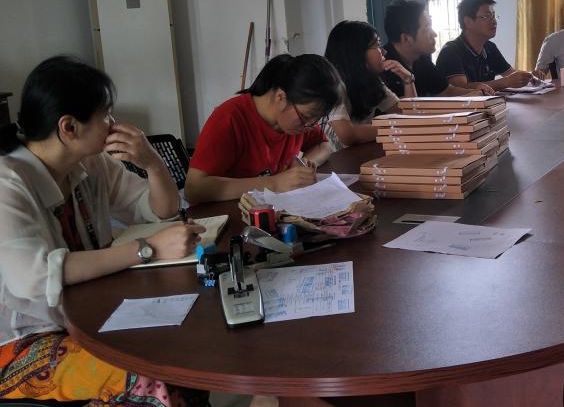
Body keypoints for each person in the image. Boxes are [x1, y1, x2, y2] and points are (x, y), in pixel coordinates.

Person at [0, 56, 207, 406]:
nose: (113, 124)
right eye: (106, 115)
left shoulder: (90, 163)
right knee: (147, 374)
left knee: (184, 339)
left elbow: (159, 210)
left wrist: (152, 163)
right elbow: (36, 276)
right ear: (69, 127)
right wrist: (147, 248)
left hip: (89, 314)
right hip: (28, 337)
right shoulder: (8, 183)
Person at [185, 54, 341, 204]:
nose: (310, 126)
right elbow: (194, 189)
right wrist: (274, 183)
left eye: (317, 120)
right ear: (281, 97)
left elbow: (324, 146)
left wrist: (305, 164)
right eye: (306, 117)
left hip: (272, 208)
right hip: (226, 214)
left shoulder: (298, 122)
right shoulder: (229, 119)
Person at [324, 20, 415, 150]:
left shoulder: (371, 81)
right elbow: (348, 135)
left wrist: (408, 80)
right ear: (357, 52)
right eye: (377, 45)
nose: (384, 51)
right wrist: (395, 126)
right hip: (333, 159)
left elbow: (407, 114)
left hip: (356, 154)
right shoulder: (333, 84)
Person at [381, 0, 493, 97]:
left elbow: (447, 92)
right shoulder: (384, 68)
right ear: (406, 39)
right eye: (427, 28)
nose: (434, 34)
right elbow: (405, 109)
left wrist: (477, 93)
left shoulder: (421, 59)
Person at [435, 0, 533, 91]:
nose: (494, 21)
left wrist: (531, 75)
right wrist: (505, 82)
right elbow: (460, 88)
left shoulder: (489, 47)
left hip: (488, 101)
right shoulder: (451, 51)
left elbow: (512, 74)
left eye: (494, 16)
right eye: (487, 16)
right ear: (468, 22)